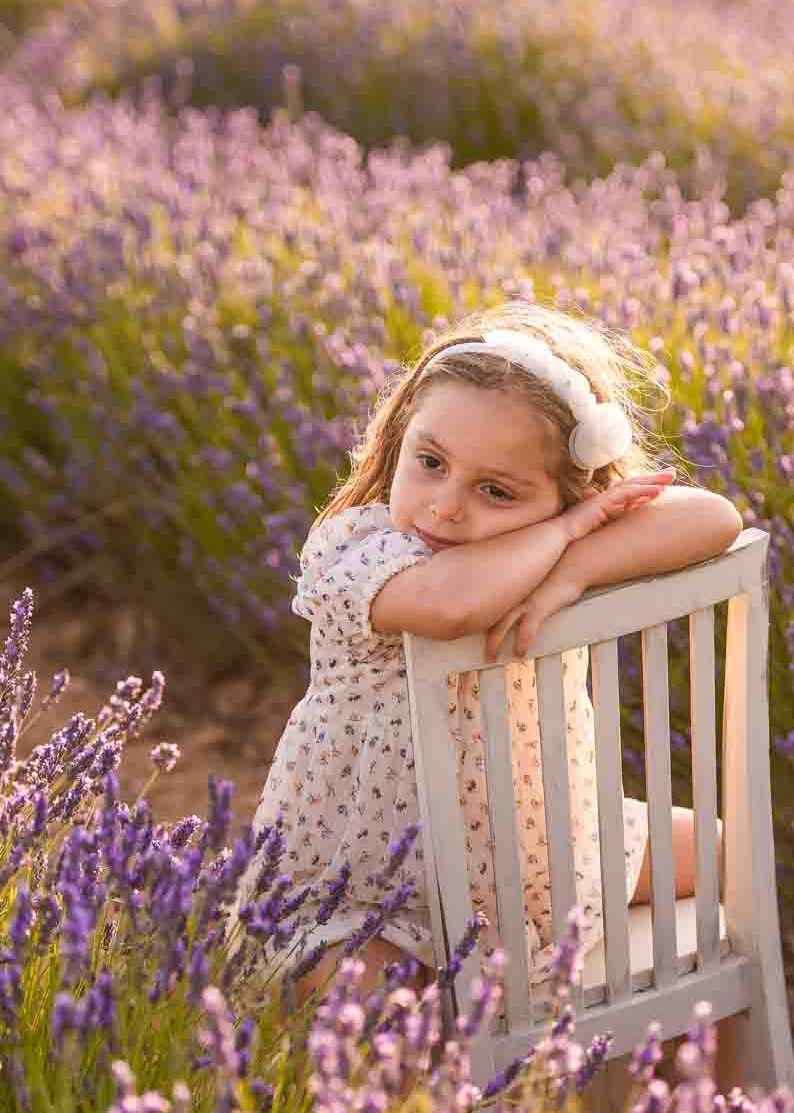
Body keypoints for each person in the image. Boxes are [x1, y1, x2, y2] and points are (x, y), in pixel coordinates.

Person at [253, 300, 743, 998]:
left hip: (548, 862)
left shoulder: (554, 553)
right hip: (376, 886)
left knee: (734, 848)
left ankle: (699, 1092)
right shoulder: (354, 552)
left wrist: (574, 567)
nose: (447, 506)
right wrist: (567, 533)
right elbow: (453, 603)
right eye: (429, 462)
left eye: (494, 489)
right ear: (399, 442)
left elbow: (715, 516)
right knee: (366, 1004)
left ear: (573, 493)